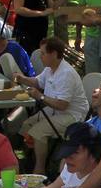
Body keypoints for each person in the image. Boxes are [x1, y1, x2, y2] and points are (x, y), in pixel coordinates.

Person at [15, 37, 88, 173]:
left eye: (43, 53)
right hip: (56, 110)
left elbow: (62, 105)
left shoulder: (66, 74)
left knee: (38, 132)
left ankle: (40, 169)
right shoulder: (50, 69)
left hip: (72, 116)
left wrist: (40, 96)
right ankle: (26, 160)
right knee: (26, 125)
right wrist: (22, 78)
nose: (40, 57)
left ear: (54, 54)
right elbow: (38, 82)